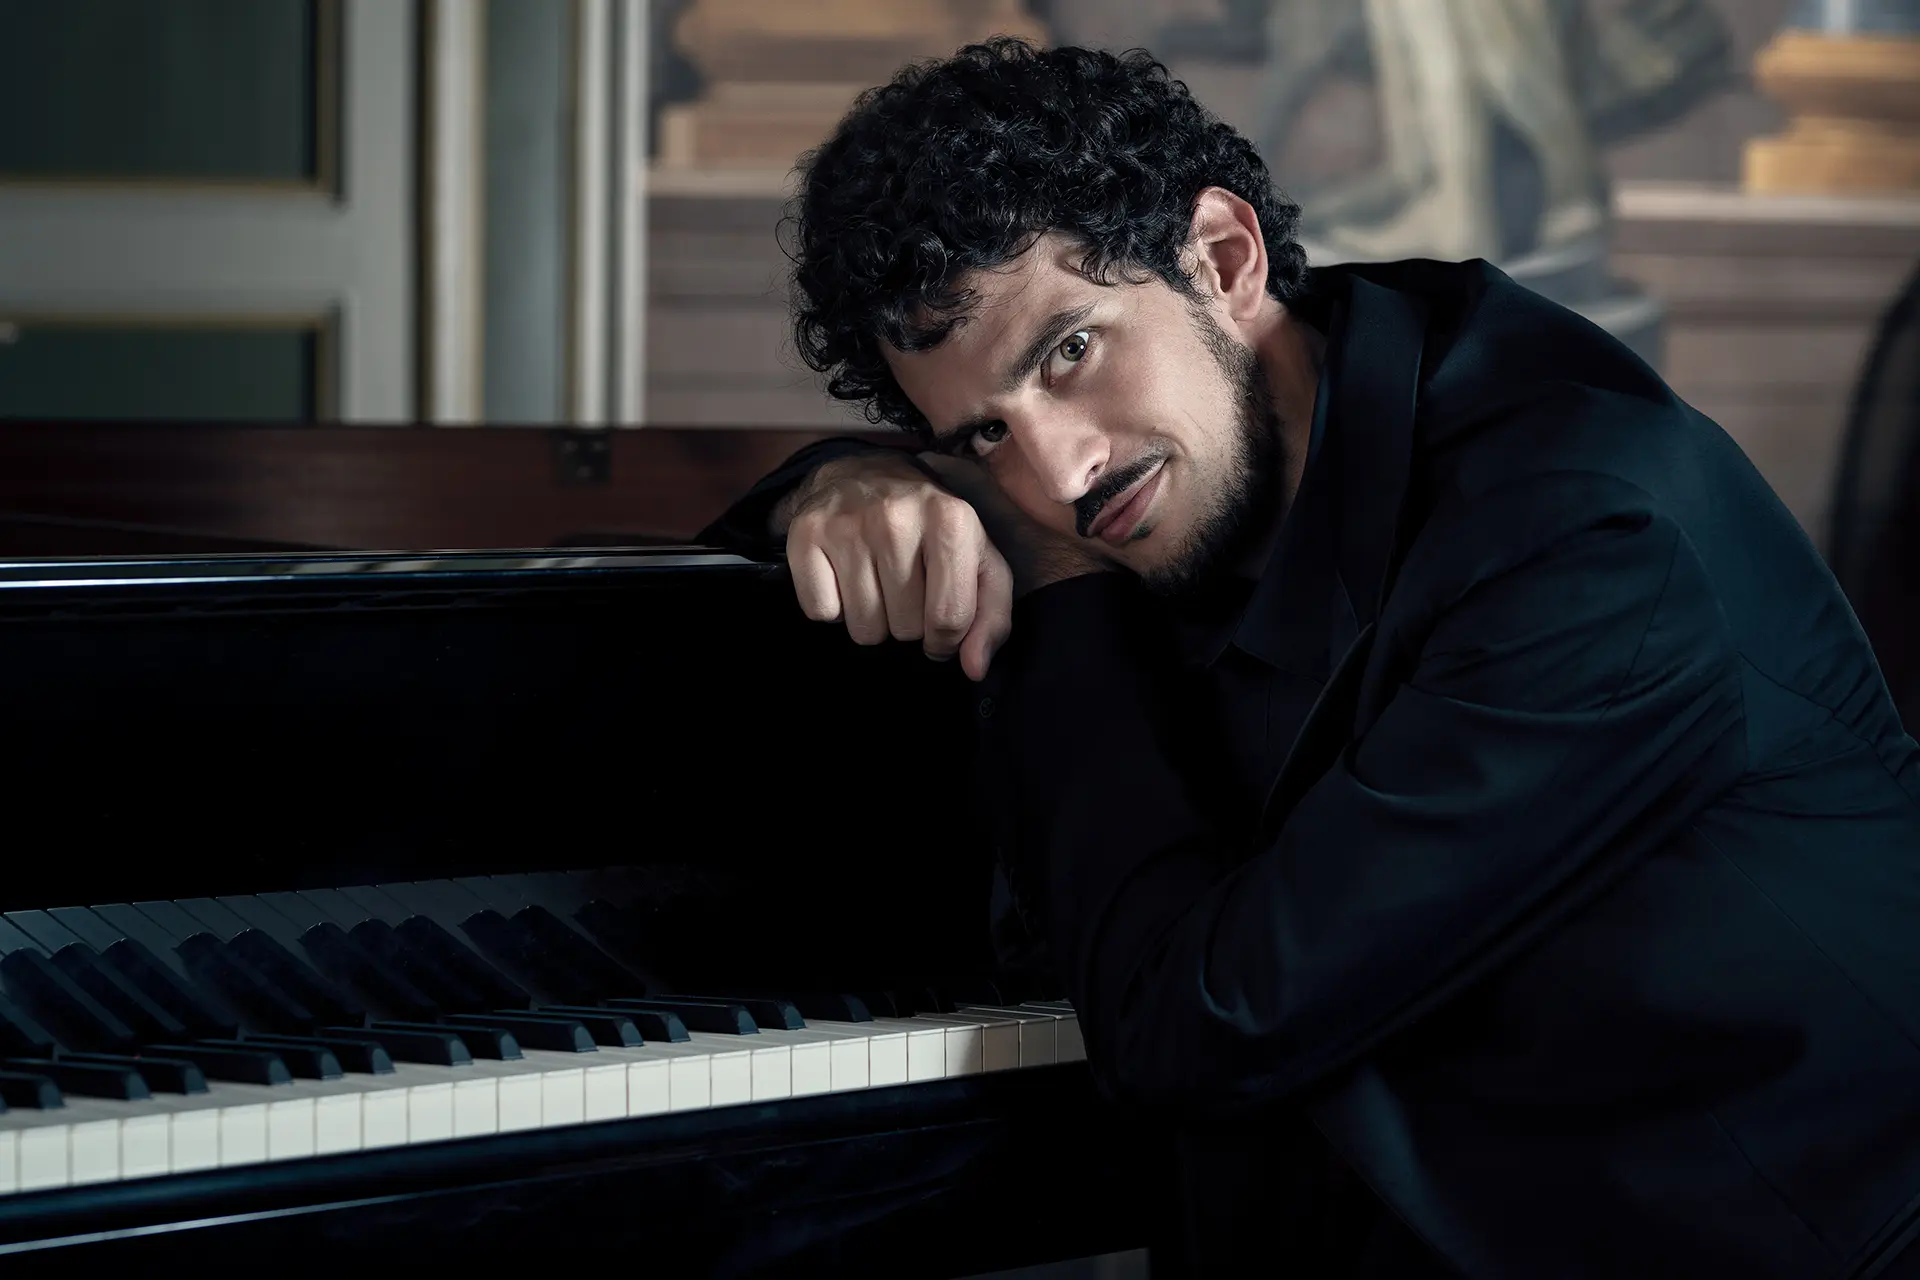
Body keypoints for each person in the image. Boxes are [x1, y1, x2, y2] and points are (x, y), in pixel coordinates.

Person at [700, 38, 1920, 1278]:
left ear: (1223, 259)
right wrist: (839, 481)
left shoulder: (1591, 532)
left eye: (1070, 350)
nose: (1058, 474)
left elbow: (1201, 1023)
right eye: (983, 436)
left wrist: (1062, 589)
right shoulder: (1214, 441)